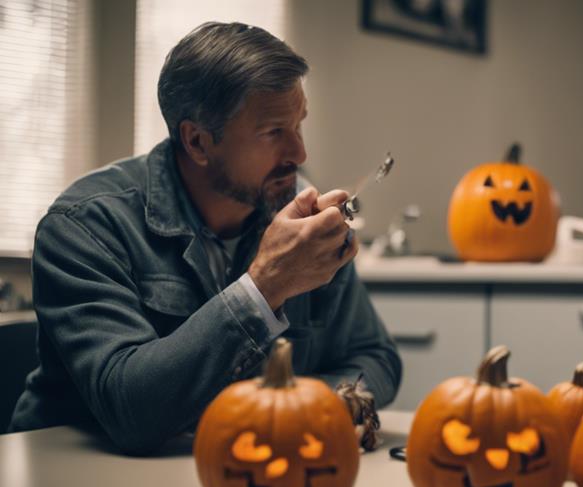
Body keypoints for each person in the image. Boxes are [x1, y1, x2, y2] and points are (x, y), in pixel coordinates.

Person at [7, 22, 402, 454]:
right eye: (273, 132)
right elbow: (130, 410)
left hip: (237, 475)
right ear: (197, 141)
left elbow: (376, 358)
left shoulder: (296, 215)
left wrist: (302, 411)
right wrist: (265, 286)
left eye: (298, 125)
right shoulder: (85, 226)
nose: (299, 154)